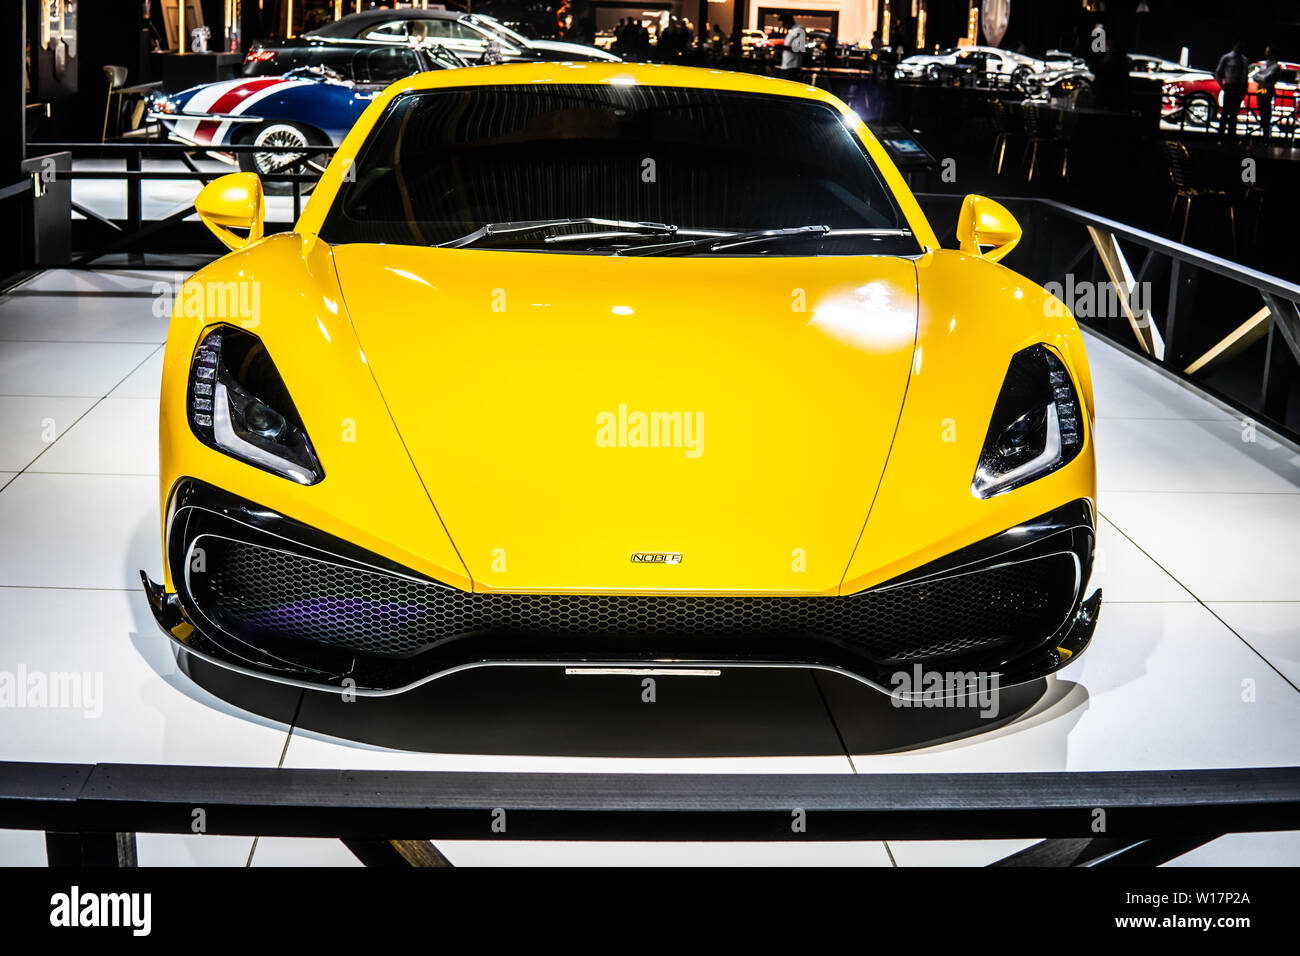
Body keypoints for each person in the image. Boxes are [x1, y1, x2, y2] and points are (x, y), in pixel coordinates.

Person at [1214, 40, 1249, 140]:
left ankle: (1231, 135)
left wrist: (1244, 89)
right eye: (1239, 46)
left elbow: (1245, 76)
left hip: (1239, 87)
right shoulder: (1227, 57)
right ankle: (1221, 135)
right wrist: (1222, 86)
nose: (1240, 48)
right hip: (1229, 86)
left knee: (1234, 113)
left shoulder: (1244, 59)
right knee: (1225, 112)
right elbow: (1217, 73)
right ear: (1234, 45)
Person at [1255, 46, 1281, 142]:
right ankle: (1264, 134)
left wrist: (1260, 77)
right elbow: (1256, 76)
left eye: (1268, 51)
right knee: (1262, 112)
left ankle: (1266, 136)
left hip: (1267, 91)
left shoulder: (1275, 66)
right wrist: (1261, 77)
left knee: (1266, 113)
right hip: (1261, 90)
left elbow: (1264, 78)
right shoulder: (1264, 64)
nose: (1266, 53)